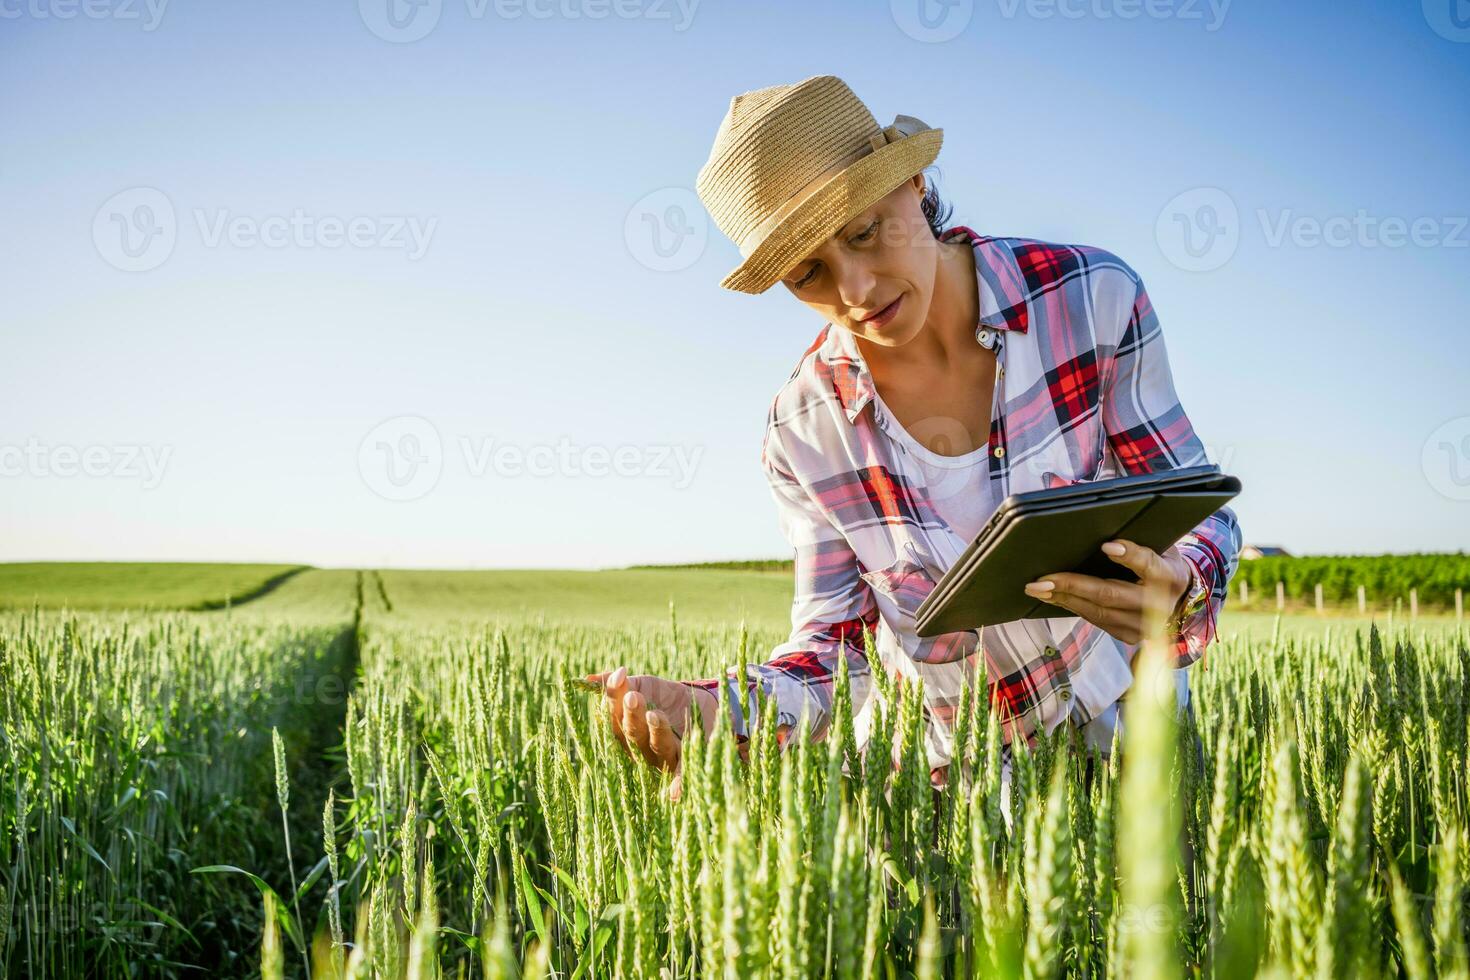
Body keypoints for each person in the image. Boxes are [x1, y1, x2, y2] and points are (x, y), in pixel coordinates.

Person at [588, 74, 1241, 802]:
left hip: (1133, 737)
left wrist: (1182, 586)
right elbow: (836, 651)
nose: (857, 290)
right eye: (809, 275)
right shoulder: (803, 430)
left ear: (915, 182)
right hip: (952, 791)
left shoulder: (1092, 297)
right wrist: (715, 711)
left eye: (864, 232)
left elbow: (1198, 505)